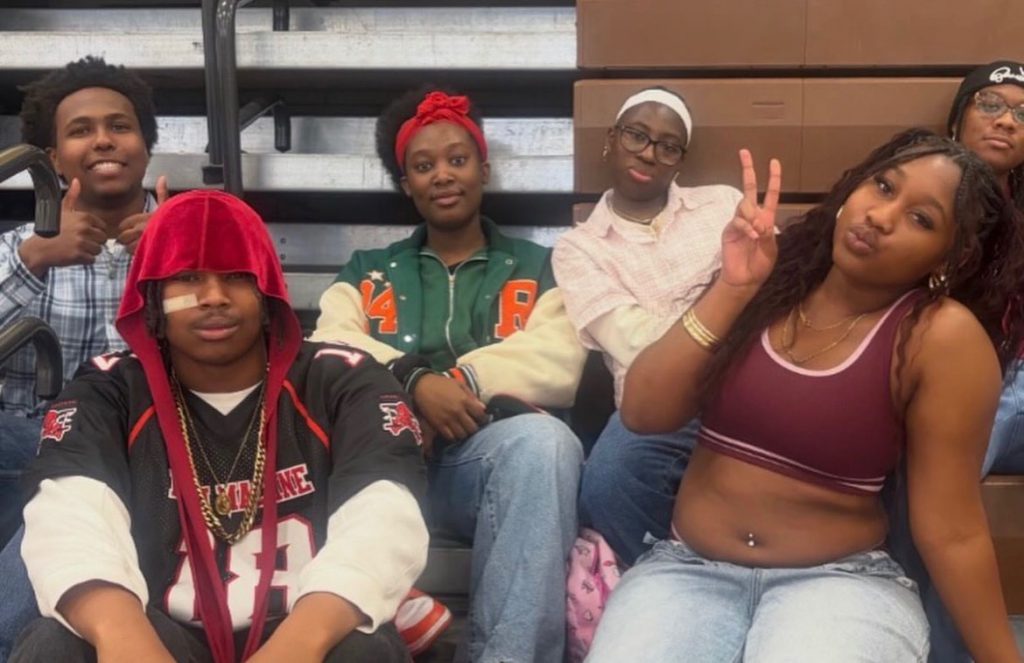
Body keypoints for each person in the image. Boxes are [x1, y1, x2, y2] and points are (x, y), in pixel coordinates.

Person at [587, 130, 1024, 662]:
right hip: (687, 569)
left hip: (839, 585)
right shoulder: (769, 280)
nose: (880, 216)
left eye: (921, 219)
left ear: (949, 259)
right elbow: (643, 412)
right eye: (883, 187)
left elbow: (952, 531)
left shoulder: (940, 337)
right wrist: (733, 289)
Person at [9, 189, 428, 663]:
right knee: (55, 643)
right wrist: (121, 637)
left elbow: (384, 515)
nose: (213, 298)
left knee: (364, 650)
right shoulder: (110, 390)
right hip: (159, 637)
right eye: (187, 278)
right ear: (152, 299)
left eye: (236, 277)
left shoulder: (342, 381)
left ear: (266, 292)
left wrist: (298, 645)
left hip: (302, 634)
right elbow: (70, 516)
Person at [312, 86, 586, 663]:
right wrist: (414, 382)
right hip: (380, 468)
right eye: (423, 166)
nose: (442, 175)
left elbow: (560, 358)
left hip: (477, 467)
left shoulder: (539, 266)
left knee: (546, 444)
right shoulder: (367, 271)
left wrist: (461, 384)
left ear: (483, 170)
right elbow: (329, 344)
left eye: (457, 160)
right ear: (406, 184)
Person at [552, 86, 741, 565]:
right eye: (636, 135)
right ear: (610, 139)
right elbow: (635, 344)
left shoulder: (723, 205)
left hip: (746, 387)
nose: (649, 154)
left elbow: (771, 293)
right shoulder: (579, 249)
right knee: (607, 479)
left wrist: (717, 301)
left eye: (668, 146)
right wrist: (722, 293)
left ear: (680, 161)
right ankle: (674, 576)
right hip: (658, 408)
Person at [0, 56, 168, 547]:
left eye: (120, 126)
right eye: (81, 130)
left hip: (157, 445)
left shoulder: (200, 236)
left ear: (146, 147)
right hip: (32, 445)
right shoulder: (17, 248)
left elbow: (263, 350)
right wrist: (34, 260)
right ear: (53, 158)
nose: (103, 140)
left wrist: (182, 259)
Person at [947, 60, 1024, 476]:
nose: (1007, 122)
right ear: (957, 120)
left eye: (1023, 114)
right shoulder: (920, 195)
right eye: (990, 104)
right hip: (956, 372)